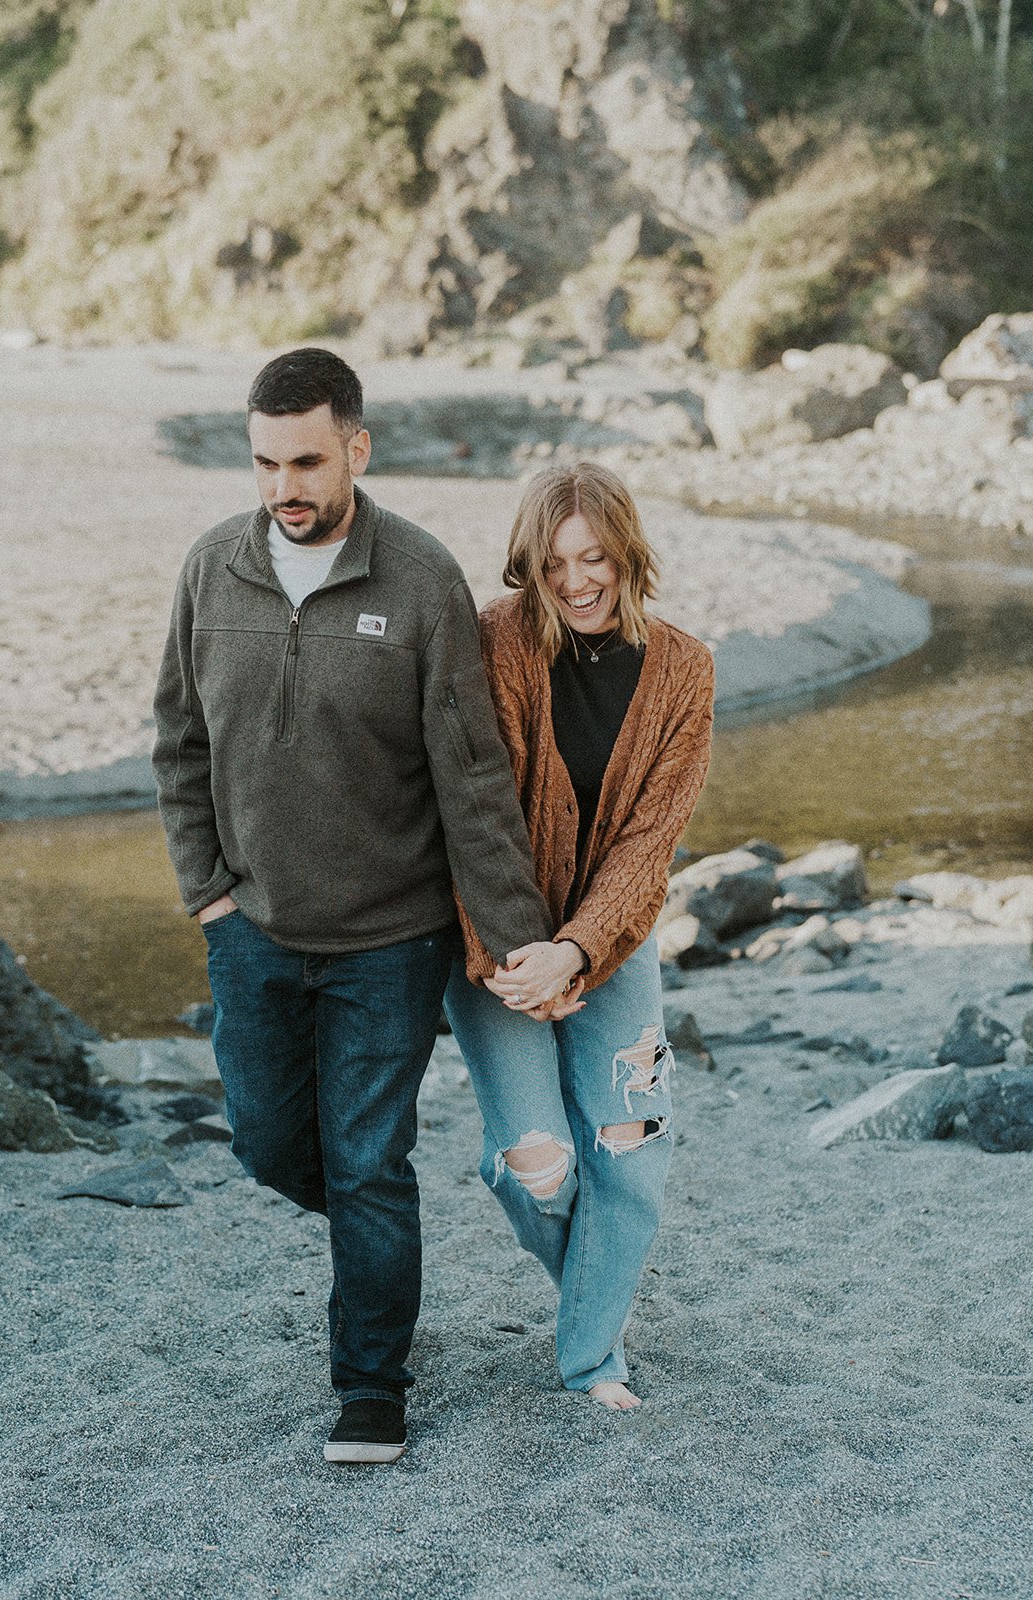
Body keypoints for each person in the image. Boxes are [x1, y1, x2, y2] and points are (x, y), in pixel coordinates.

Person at [152, 348, 552, 1464]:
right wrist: (210, 897)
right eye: (268, 460)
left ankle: (371, 1384)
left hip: (391, 937)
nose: (287, 483)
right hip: (254, 930)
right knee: (271, 1143)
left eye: (309, 459)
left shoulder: (420, 579)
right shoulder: (210, 569)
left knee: (369, 1160)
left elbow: (471, 776)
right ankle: (382, 1246)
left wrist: (520, 938)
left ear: (358, 449)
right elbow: (179, 743)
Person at [443, 461, 714, 1411]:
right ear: (530, 565)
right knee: (541, 1165)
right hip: (497, 946)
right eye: (552, 564)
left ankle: (593, 1358)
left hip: (613, 941)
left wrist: (581, 948)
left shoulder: (684, 670)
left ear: (628, 552)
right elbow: (472, 815)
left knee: (629, 1144)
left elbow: (648, 845)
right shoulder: (491, 645)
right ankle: (594, 1307)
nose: (576, 583)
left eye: (594, 557)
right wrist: (527, 951)